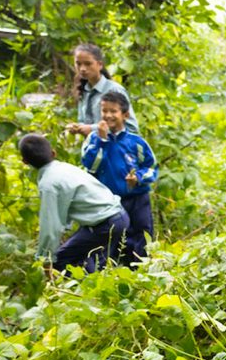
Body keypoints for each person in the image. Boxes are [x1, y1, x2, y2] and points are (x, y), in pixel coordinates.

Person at [17, 133, 129, 275]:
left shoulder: (48, 184)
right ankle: (96, 289)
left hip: (105, 225)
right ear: (53, 153)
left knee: (60, 261)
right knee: (90, 262)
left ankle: (77, 293)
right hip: (119, 216)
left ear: (25, 161)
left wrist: (46, 260)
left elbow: (51, 227)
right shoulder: (64, 168)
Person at [80, 92, 158, 267]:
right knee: (109, 241)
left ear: (125, 115)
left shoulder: (136, 142)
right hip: (107, 202)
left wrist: (137, 178)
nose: (108, 115)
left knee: (141, 239)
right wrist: (102, 140)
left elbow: (151, 167)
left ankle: (140, 274)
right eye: (104, 110)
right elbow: (90, 166)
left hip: (137, 200)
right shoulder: (93, 140)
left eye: (113, 111)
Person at [64, 43, 138, 137]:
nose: (82, 69)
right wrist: (78, 128)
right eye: (78, 64)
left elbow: (132, 128)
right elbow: (84, 122)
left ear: (99, 65)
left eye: (88, 64)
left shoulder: (114, 90)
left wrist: (93, 129)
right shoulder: (84, 91)